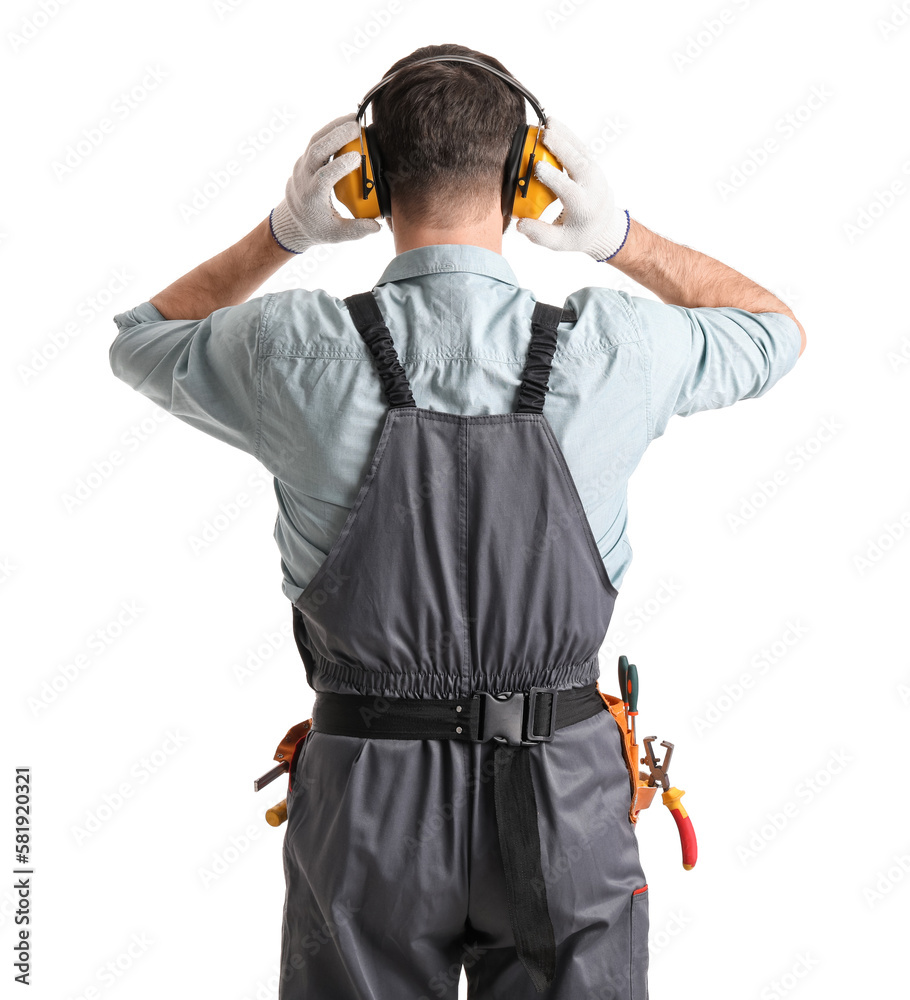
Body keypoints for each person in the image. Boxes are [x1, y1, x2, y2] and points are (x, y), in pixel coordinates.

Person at [109, 42, 805, 1000]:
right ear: (526, 184)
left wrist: (283, 231)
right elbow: (775, 331)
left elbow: (142, 340)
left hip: (368, 802)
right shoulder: (619, 346)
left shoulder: (290, 349)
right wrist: (619, 237)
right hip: (566, 790)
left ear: (366, 186)